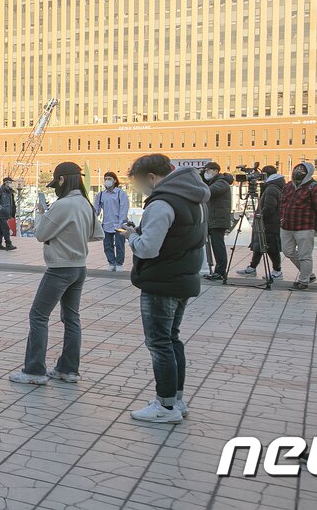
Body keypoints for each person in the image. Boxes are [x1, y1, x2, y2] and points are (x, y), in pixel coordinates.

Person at [124, 154, 208, 423]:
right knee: (172, 340)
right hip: (183, 277)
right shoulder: (193, 197)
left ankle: (165, 405)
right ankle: (176, 400)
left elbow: (149, 248)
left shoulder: (161, 203)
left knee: (159, 343)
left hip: (161, 281)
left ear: (151, 177)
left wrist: (131, 236)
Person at [10, 162, 91, 385]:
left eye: (57, 183)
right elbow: (95, 233)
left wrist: (47, 220)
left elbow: (40, 233)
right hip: (79, 266)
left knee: (38, 315)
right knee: (71, 318)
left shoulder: (62, 205)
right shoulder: (85, 203)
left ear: (63, 180)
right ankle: (68, 369)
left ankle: (34, 370)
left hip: (60, 268)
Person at [279, 161, 317, 291]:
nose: (298, 172)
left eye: (302, 170)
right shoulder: (289, 186)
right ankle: (309, 274)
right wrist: (281, 217)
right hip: (287, 225)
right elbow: (283, 203)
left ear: (308, 173)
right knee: (287, 251)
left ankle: (303, 282)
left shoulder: (315, 188)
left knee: (304, 255)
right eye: (297, 169)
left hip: (305, 227)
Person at [237, 167, 284, 279]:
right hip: (268, 223)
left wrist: (260, 216)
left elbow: (269, 206)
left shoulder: (271, 189)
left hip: (268, 223)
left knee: (271, 248)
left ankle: (277, 271)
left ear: (266, 174)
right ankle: (252, 268)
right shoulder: (275, 186)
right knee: (259, 246)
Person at [201, 162, 233, 281]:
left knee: (218, 246)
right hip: (213, 219)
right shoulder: (215, 182)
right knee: (215, 246)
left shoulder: (221, 183)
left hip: (218, 220)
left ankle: (220, 272)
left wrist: (200, 181)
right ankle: (216, 271)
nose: (206, 173)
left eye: (207, 170)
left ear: (215, 171)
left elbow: (208, 192)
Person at [96, 171, 130, 271]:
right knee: (107, 245)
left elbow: (124, 209)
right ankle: (111, 262)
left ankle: (119, 263)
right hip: (106, 223)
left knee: (120, 245)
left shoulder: (121, 194)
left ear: (115, 180)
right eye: (105, 179)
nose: (107, 181)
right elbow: (96, 209)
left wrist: (120, 223)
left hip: (120, 224)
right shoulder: (101, 195)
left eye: (109, 179)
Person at [0, 177, 18, 250]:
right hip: (0, 214)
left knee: (1, 230)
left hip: (6, 214)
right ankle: (8, 244)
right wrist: (1, 209)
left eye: (11, 182)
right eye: (9, 182)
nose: (11, 184)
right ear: (5, 182)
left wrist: (12, 213)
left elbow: (12, 204)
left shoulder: (10, 192)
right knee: (6, 228)